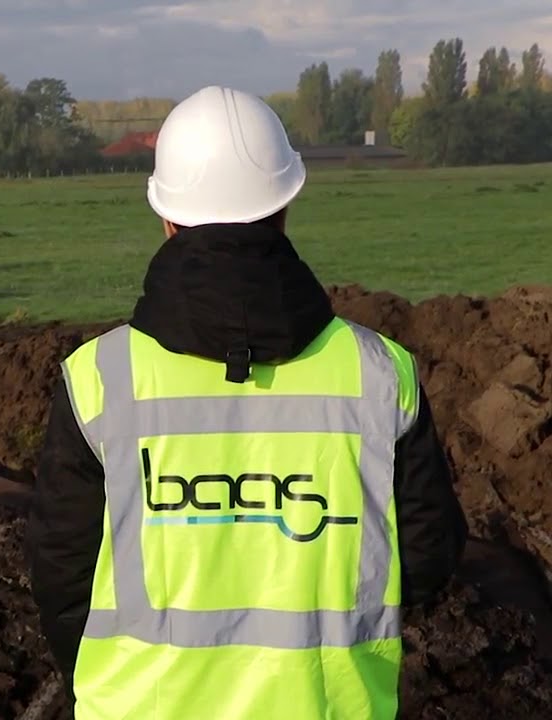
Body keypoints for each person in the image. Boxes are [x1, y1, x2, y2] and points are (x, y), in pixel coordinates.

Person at [25, 85, 468, 719]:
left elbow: (61, 575)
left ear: (167, 218)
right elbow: (427, 555)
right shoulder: (379, 376)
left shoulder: (100, 379)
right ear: (284, 206)